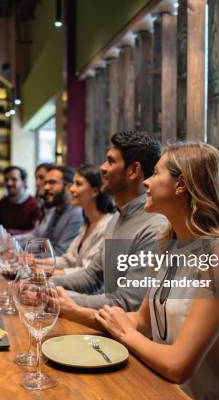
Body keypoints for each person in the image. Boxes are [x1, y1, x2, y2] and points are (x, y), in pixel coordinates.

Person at [94, 142, 219, 400]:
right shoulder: (168, 246)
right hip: (172, 395)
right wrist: (64, 307)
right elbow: (141, 322)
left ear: (181, 186)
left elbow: (178, 365)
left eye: (155, 173)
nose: (147, 182)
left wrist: (124, 334)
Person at [53, 131, 167, 315]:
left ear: (133, 171)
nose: (102, 168)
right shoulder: (117, 218)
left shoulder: (154, 227)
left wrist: (57, 298)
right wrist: (42, 283)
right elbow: (92, 276)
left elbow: (127, 302)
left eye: (111, 161)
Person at [53, 164, 115, 275]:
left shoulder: (107, 225)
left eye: (78, 184)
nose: (71, 189)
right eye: (73, 183)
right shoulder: (87, 223)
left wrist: (47, 272)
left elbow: (88, 272)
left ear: (95, 191)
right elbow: (69, 260)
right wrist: (37, 262)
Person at [18, 165, 83, 255]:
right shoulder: (56, 210)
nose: (46, 188)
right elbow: (44, 243)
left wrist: (28, 256)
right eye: (46, 183)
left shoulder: (76, 214)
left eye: (52, 183)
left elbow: (61, 252)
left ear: (68, 187)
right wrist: (18, 247)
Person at [0, 166, 41, 234]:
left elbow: (36, 233)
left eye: (14, 179)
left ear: (24, 182)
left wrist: (10, 233)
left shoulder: (35, 205)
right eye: (6, 179)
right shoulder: (2, 203)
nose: (9, 183)